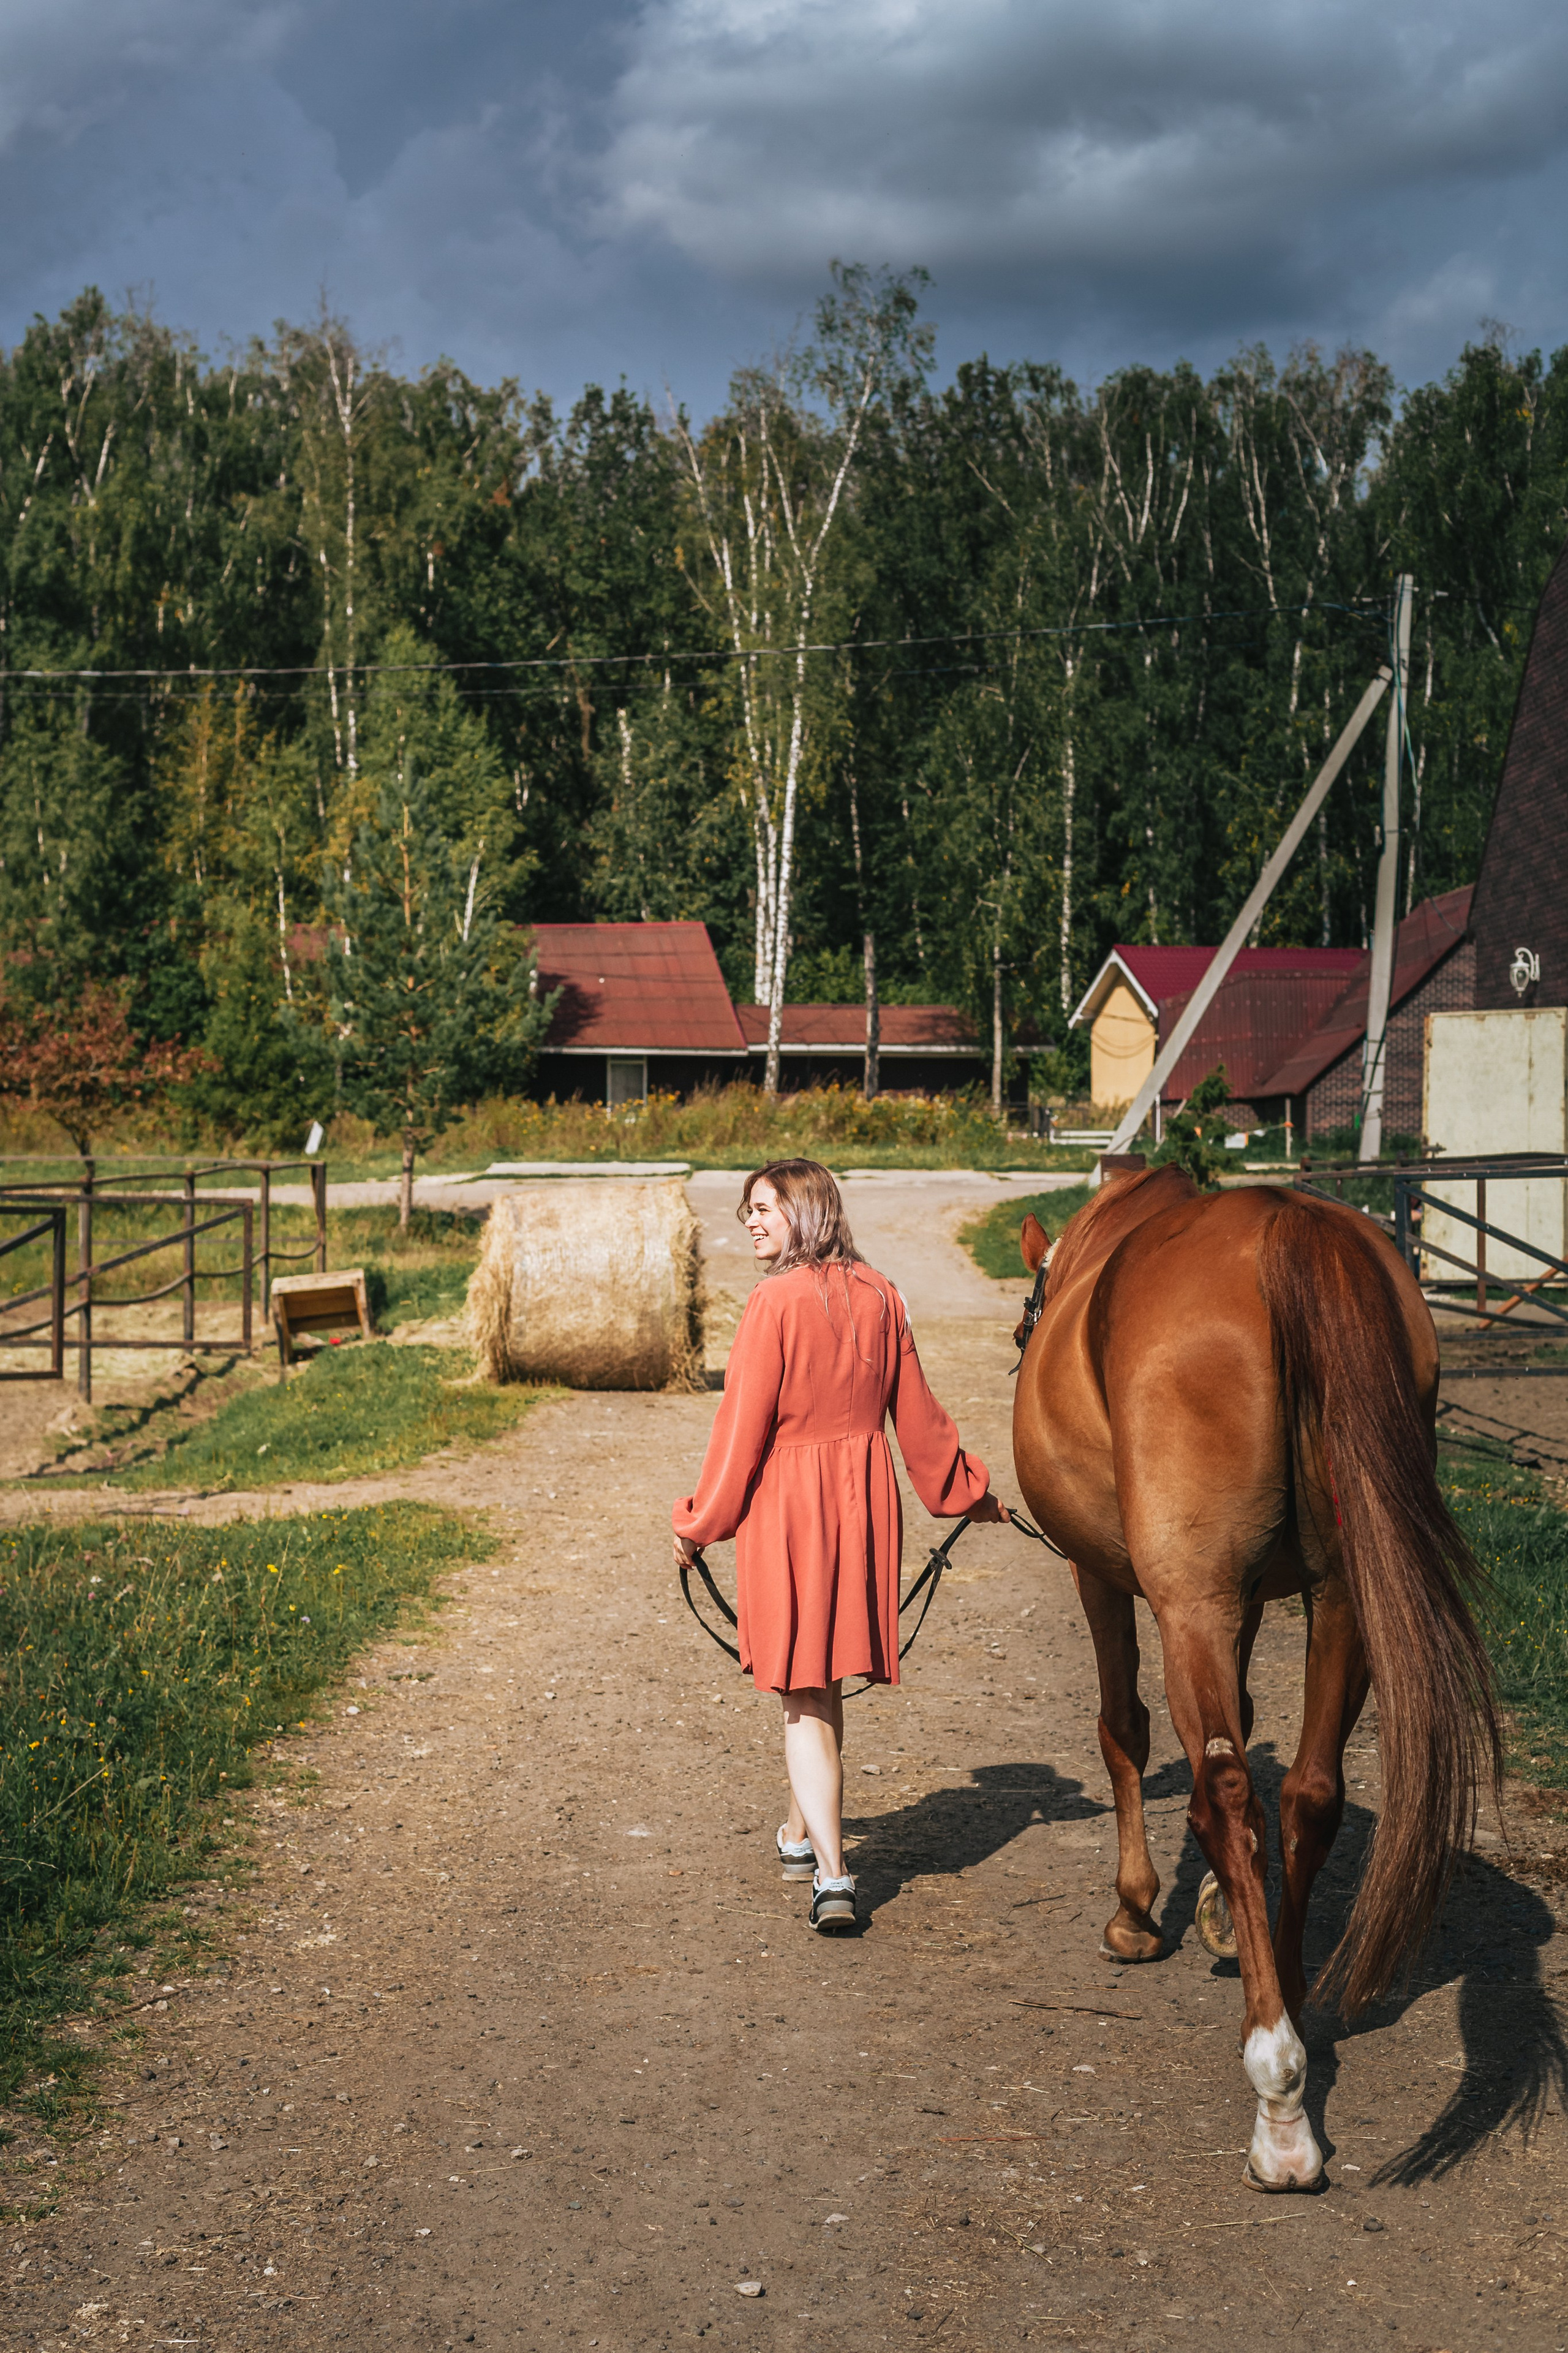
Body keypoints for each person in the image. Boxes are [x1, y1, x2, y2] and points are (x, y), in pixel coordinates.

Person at [671, 1158, 1006, 1934]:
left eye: (765, 1208)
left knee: (803, 1688)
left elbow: (739, 1435)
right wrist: (966, 1491)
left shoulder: (771, 1303)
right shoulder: (883, 1294)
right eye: (746, 1210)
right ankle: (798, 1834)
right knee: (813, 1682)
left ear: (807, 1211)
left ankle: (832, 1875)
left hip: (789, 1507)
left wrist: (697, 1523)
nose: (750, 1222)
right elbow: (918, 1419)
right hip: (860, 1504)